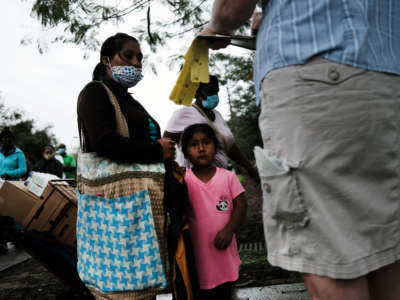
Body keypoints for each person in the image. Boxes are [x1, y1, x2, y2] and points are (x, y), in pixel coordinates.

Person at [201, 1, 400, 300]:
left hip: (315, 76)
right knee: (385, 251)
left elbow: (231, 8)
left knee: (328, 259)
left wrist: (218, 26)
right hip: (386, 75)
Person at [76, 33, 175, 299]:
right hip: (122, 203)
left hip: (140, 204)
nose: (136, 63)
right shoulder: (96, 93)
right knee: (124, 287)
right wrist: (157, 150)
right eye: (128, 56)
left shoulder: (126, 99)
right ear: (106, 61)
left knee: (143, 283)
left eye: (140, 58)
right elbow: (106, 143)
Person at [181, 123, 246, 300]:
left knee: (225, 293)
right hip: (199, 257)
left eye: (206, 142)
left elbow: (240, 206)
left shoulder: (228, 177)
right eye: (194, 144)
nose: (201, 148)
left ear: (215, 147)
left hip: (224, 255)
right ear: (186, 152)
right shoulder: (184, 180)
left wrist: (229, 230)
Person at [164, 75, 258, 179]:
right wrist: (172, 172)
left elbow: (229, 147)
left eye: (217, 91)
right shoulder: (184, 113)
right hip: (193, 179)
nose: (215, 95)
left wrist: (249, 167)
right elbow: (165, 144)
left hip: (220, 178)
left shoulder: (217, 115)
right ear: (198, 92)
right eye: (211, 91)